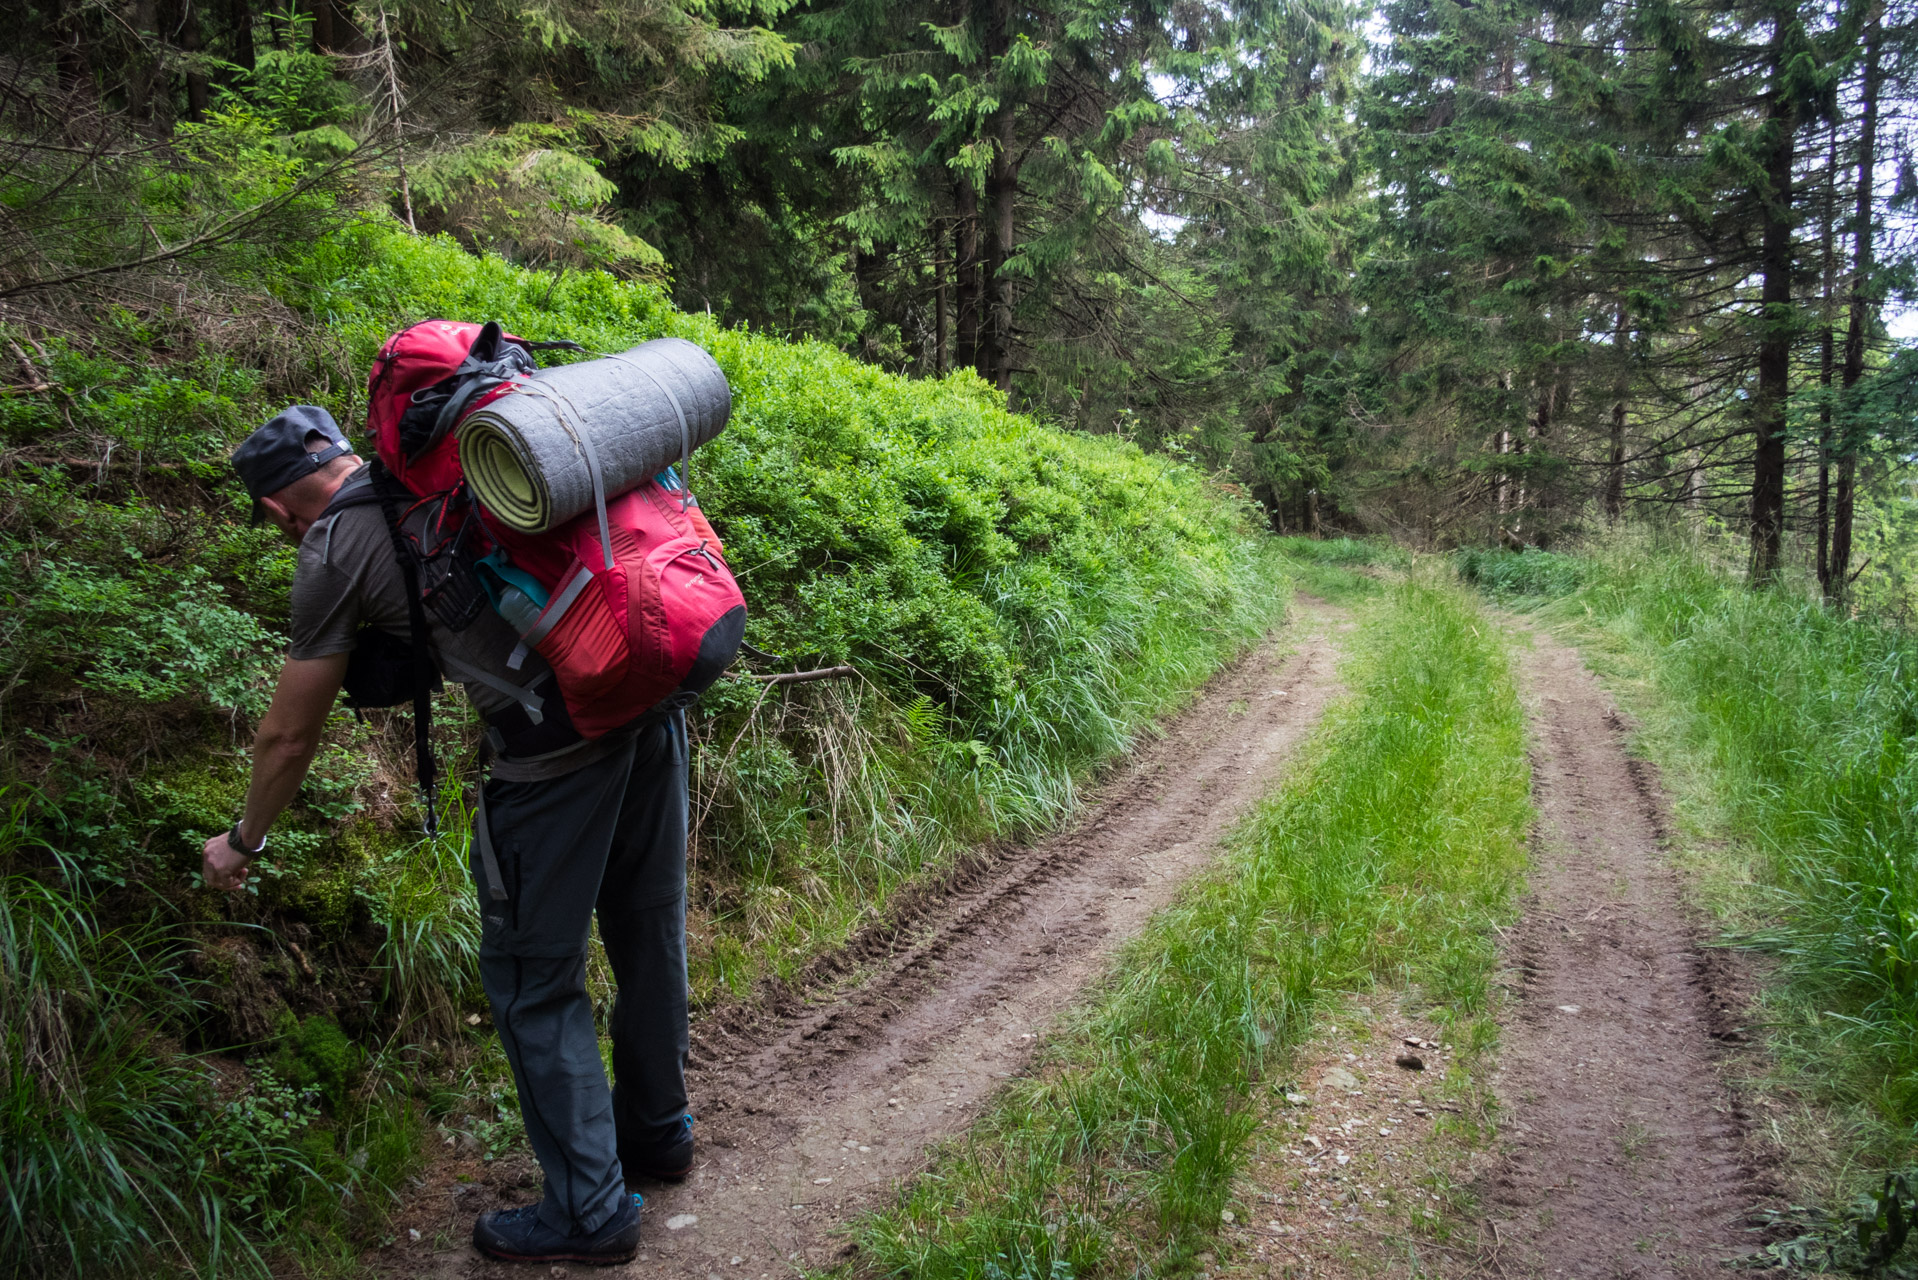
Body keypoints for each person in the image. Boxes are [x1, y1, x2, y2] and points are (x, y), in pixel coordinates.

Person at [203, 405, 694, 1266]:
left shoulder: (333, 548)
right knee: (647, 930)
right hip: (650, 710)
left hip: (551, 759)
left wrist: (242, 840)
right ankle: (656, 1134)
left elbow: (289, 734)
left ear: (278, 509)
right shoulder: (471, 474)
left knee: (530, 980)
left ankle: (589, 1211)